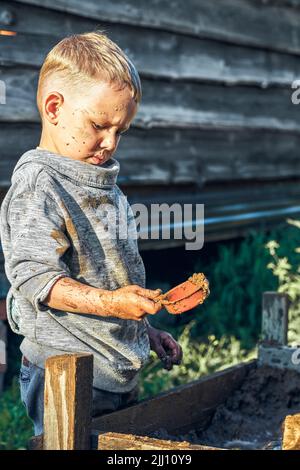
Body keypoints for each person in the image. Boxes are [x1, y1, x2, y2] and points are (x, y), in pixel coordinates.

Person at [0, 31, 183, 436]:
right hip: (65, 371)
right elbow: (35, 278)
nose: (111, 143)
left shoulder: (104, 186)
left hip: (114, 368)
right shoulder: (40, 184)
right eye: (100, 125)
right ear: (54, 107)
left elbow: (110, 279)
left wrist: (145, 330)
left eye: (122, 131)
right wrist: (113, 305)